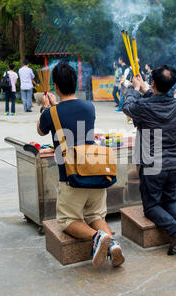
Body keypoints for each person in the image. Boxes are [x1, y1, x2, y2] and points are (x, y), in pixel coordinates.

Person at [37, 62, 125, 268]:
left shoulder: (52, 112)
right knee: (95, 215)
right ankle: (112, 244)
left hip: (71, 175)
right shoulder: (89, 106)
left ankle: (97, 238)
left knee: (67, 221)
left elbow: (41, 131)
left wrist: (46, 108)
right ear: (75, 83)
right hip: (95, 169)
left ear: (55, 87)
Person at [122, 65, 176, 255]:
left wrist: (134, 88)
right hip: (174, 161)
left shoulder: (144, 106)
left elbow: (127, 107)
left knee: (151, 207)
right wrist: (146, 89)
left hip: (153, 164)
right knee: (170, 201)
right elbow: (157, 99)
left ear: (154, 82)